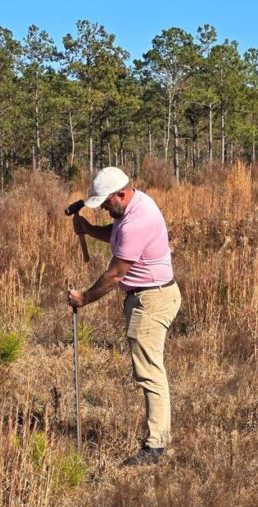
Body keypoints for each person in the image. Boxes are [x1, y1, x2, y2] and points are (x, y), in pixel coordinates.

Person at [68, 166, 181, 466]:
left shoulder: (137, 221)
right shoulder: (133, 206)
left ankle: (156, 446)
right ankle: (157, 438)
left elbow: (117, 274)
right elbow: (116, 235)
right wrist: (91, 230)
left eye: (106, 202)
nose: (104, 207)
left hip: (152, 299)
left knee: (150, 371)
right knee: (148, 368)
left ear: (121, 193)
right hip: (147, 295)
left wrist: (85, 298)